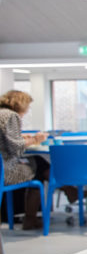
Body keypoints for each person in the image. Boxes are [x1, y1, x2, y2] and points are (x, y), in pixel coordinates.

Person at [0, 91, 48, 229]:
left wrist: (22, 138)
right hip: (6, 172)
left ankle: (69, 191)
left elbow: (6, 141)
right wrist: (35, 140)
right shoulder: (11, 116)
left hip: (2, 166)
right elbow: (15, 148)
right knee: (39, 168)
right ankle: (30, 219)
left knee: (38, 164)